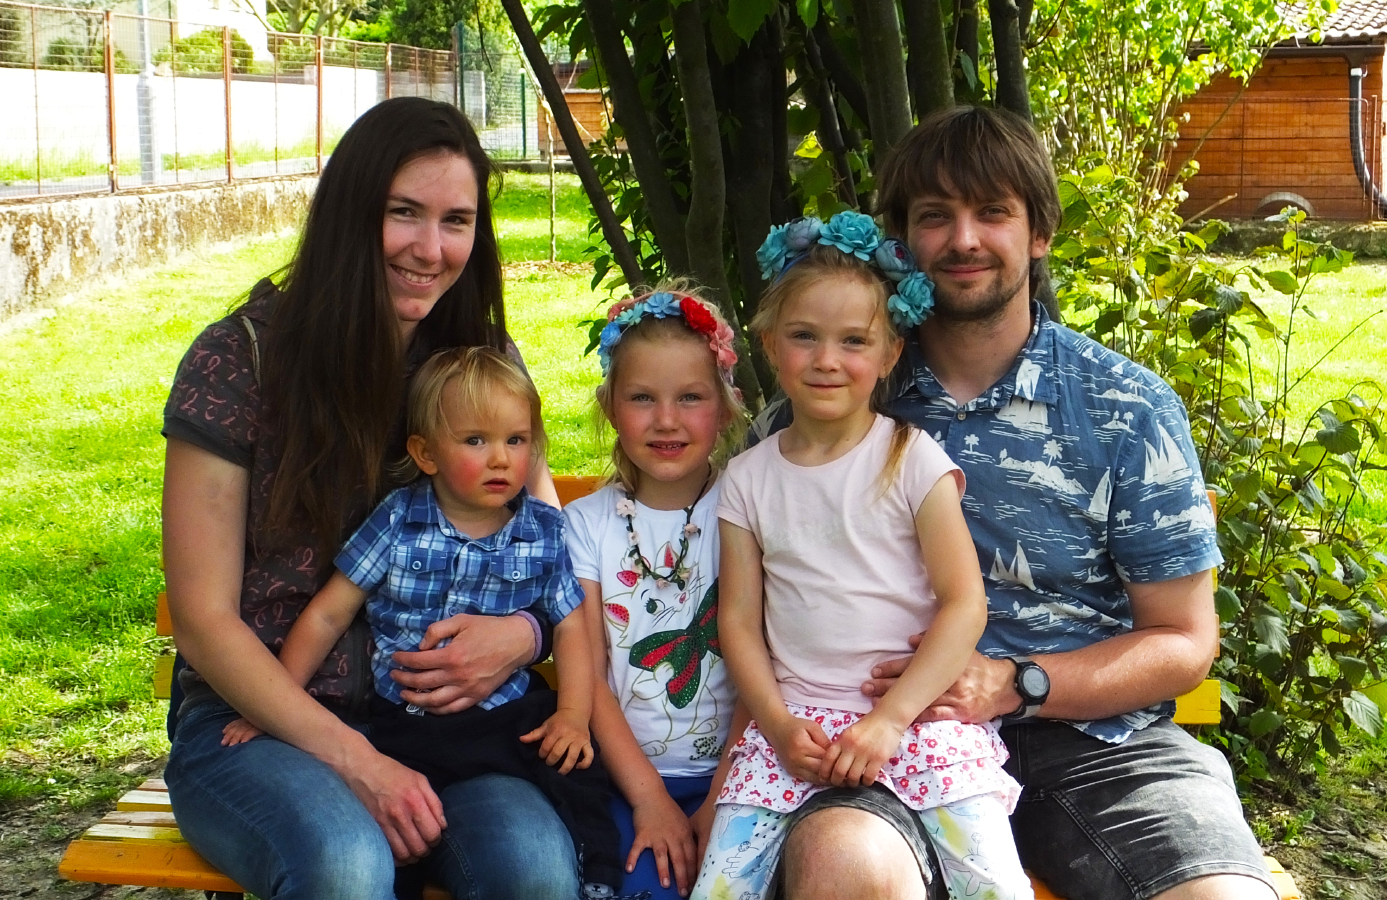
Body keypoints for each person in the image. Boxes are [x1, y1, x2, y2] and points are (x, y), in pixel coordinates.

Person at [752, 107, 1276, 900]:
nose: (963, 239)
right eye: (935, 216)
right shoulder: (833, 400)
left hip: (1094, 744)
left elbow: (1182, 641)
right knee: (842, 867)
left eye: (992, 211)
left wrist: (1013, 682)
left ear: (1039, 232)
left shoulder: (1123, 406)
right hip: (881, 738)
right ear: (902, 242)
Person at [161, 96, 582, 900]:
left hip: (452, 729)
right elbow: (205, 622)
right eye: (403, 213)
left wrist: (524, 635)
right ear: (352, 212)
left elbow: (545, 540)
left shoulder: (480, 362)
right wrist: (357, 760)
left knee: (533, 871)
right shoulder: (239, 361)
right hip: (258, 725)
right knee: (345, 868)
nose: (430, 248)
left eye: (456, 221)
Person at [691, 213, 1034, 900]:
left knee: (993, 886)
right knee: (720, 889)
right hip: (796, 730)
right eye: (804, 337)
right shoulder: (747, 479)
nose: (827, 359)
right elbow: (739, 622)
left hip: (915, 722)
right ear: (769, 344)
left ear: (888, 353)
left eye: (853, 340)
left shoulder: (911, 460)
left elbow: (964, 604)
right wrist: (777, 727)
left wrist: (890, 720)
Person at [219, 346, 623, 898]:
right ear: (425, 453)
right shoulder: (398, 520)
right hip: (402, 726)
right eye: (475, 441)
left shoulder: (544, 532)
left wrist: (573, 715)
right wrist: (274, 699)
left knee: (573, 768)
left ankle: (599, 879)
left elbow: (571, 625)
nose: (501, 459)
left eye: (516, 440)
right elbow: (330, 612)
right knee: (395, 843)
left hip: (501, 721)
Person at [563, 287, 748, 899]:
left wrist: (722, 797)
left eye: (690, 397)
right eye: (642, 397)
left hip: (740, 774)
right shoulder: (585, 525)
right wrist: (648, 797)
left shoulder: (749, 508)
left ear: (725, 408)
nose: (666, 420)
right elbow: (587, 674)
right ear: (609, 407)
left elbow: (767, 662)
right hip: (625, 778)